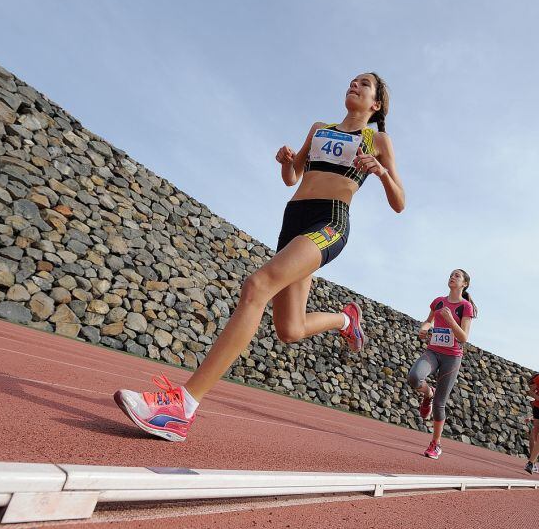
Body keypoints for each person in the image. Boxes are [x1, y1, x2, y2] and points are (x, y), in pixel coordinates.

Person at [114, 73, 405, 441]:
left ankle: (182, 406)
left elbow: (400, 202)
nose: (354, 86)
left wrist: (381, 172)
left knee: (256, 287)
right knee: (290, 329)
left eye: (364, 85)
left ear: (375, 103)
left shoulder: (377, 139)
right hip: (293, 219)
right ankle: (344, 320)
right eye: (352, 81)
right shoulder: (319, 128)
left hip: (330, 220)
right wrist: (286, 160)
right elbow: (293, 176)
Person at [408, 269, 475, 459]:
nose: (452, 277)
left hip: (452, 357)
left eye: (457, 276)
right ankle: (428, 393)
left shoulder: (465, 307)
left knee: (440, 404)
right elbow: (429, 321)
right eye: (451, 274)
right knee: (414, 377)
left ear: (464, 284)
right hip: (433, 352)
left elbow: (463, 337)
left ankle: (435, 444)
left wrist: (450, 320)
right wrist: (424, 328)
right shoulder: (438, 301)